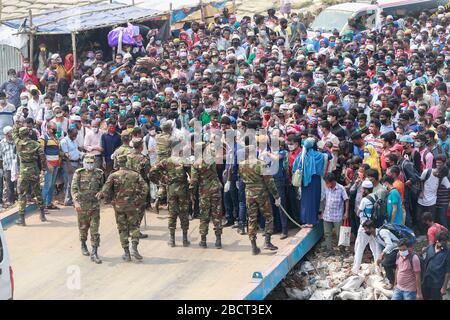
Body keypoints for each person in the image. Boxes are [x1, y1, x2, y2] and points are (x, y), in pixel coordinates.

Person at [96, 154, 148, 261]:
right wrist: (139, 200)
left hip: (119, 207)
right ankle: (134, 247)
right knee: (134, 227)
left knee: (122, 229)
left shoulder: (113, 175)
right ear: (127, 162)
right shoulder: (135, 175)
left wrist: (101, 196)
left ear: (118, 163)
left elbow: (105, 190)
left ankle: (126, 253)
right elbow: (145, 188)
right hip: (132, 206)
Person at [239, 141, 281, 255]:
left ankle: (253, 246)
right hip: (261, 193)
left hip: (249, 193)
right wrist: (276, 196)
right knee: (268, 217)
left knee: (252, 219)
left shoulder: (241, 164)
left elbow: (242, 178)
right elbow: (269, 182)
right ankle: (267, 241)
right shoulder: (260, 164)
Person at [149, 151, 192, 247]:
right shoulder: (184, 161)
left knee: (172, 214)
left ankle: (172, 240)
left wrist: (162, 180)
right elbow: (192, 175)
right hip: (183, 191)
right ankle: (185, 239)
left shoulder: (165, 161)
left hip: (171, 191)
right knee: (184, 213)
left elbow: (152, 172)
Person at [12, 122, 47, 225]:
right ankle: (42, 214)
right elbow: (42, 157)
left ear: (21, 134)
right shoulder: (36, 144)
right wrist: (43, 169)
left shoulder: (18, 143)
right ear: (29, 133)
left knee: (22, 194)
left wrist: (17, 123)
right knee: (38, 192)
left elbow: (14, 133)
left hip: (23, 172)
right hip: (34, 170)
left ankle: (22, 219)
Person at [71, 155, 104, 264]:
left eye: (91, 162)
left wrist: (102, 192)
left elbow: (103, 187)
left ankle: (94, 252)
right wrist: (76, 202)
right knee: (83, 228)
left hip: (94, 206)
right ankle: (83, 244)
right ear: (84, 163)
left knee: (95, 230)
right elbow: (74, 188)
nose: (90, 165)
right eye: (87, 162)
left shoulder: (99, 173)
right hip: (82, 206)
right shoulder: (79, 173)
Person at [190, 142, 223, 248]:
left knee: (204, 215)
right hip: (215, 189)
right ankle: (218, 240)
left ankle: (203, 240)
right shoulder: (211, 157)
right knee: (217, 215)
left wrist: (192, 193)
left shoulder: (195, 164)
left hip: (204, 191)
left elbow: (194, 181)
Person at [292, 138, 328, 227]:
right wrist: (323, 148)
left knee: (306, 201)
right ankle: (313, 219)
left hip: (305, 182)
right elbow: (329, 156)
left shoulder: (302, 155)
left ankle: (307, 220)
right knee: (315, 200)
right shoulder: (319, 155)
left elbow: (294, 167)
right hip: (315, 181)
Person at [352, 180, 380, 274]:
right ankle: (378, 269)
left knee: (359, 248)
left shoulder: (364, 200)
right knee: (375, 248)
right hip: (374, 226)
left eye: (362, 189)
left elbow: (358, 212)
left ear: (366, 190)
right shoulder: (376, 196)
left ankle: (355, 269)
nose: (362, 190)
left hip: (365, 227)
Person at [363, 220, 401, 290]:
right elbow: (380, 249)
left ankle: (391, 283)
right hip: (391, 250)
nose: (365, 231)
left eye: (366, 229)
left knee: (386, 263)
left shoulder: (382, 232)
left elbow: (390, 245)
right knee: (386, 263)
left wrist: (382, 255)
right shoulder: (375, 236)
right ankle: (396, 279)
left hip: (397, 249)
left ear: (371, 228)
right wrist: (378, 260)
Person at [126, 137, 150, 239]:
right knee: (140, 208)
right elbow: (148, 173)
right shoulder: (144, 159)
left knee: (128, 207)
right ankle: (135, 230)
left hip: (127, 186)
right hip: (139, 187)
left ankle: (127, 229)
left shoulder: (126, 157)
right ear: (141, 146)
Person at [322, 173, 349, 256]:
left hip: (337, 216)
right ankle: (329, 250)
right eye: (326, 183)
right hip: (327, 215)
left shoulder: (341, 188)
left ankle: (342, 250)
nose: (326, 184)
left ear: (333, 181)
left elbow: (346, 200)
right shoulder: (326, 188)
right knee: (327, 233)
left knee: (339, 234)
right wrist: (322, 211)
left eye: (327, 182)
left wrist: (346, 212)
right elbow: (323, 199)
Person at [421, 231, 450, 300]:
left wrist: (444, 287)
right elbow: (424, 257)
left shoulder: (448, 253)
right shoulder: (430, 247)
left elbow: (448, 271)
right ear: (437, 240)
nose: (446, 243)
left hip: (437, 284)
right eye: (444, 241)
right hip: (426, 280)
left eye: (447, 241)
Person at [39, 121, 61, 210]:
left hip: (56, 164)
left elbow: (57, 150)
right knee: (47, 185)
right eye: (53, 129)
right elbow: (41, 153)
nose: (55, 130)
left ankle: (49, 203)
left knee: (52, 185)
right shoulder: (43, 138)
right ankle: (42, 206)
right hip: (49, 165)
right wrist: (48, 164)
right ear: (48, 129)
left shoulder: (55, 137)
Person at [60, 127, 81, 206]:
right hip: (68, 164)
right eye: (74, 134)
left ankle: (71, 199)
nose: (76, 135)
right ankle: (67, 200)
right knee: (70, 182)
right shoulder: (64, 141)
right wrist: (69, 166)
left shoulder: (74, 140)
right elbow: (66, 155)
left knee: (74, 182)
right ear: (69, 133)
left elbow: (76, 150)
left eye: (76, 134)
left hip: (76, 163)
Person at [0, 126, 17, 207]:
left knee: (19, 185)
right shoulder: (1, 143)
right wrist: (2, 168)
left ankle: (19, 201)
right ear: (7, 134)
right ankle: (11, 202)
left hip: (17, 167)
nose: (13, 133)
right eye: (11, 132)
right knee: (10, 186)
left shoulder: (16, 141)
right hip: (8, 167)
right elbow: (0, 157)